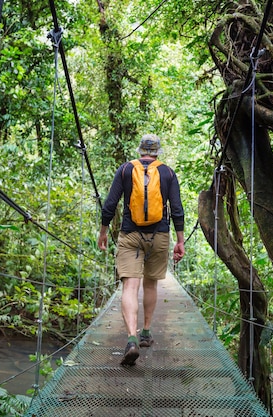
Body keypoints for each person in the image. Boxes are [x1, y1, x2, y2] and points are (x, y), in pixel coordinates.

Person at [97, 134, 185, 366]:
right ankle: (146, 331)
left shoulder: (126, 170)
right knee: (150, 284)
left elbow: (110, 204)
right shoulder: (167, 172)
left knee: (130, 285)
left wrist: (103, 232)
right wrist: (180, 240)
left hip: (130, 235)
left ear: (140, 151)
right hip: (160, 236)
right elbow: (176, 209)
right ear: (157, 151)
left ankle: (131, 339)